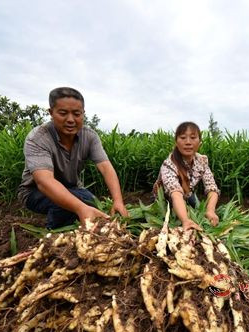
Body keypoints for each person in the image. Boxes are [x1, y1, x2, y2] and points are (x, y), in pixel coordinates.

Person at [18, 87, 128, 229]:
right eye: (63, 113)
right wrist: (81, 208)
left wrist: (118, 201)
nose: (70, 120)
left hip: (72, 187)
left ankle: (81, 227)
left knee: (92, 203)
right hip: (34, 192)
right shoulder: (38, 138)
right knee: (68, 205)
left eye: (77, 114)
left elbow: (106, 168)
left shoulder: (90, 137)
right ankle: (55, 237)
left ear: (83, 114)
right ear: (51, 113)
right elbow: (44, 182)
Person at [153, 121, 220, 231]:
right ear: (176, 142)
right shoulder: (169, 164)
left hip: (187, 194)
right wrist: (185, 220)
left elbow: (211, 187)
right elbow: (175, 193)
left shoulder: (202, 161)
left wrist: (210, 211)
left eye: (193, 138)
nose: (188, 142)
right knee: (171, 218)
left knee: (198, 210)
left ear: (200, 143)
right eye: (183, 138)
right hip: (166, 200)